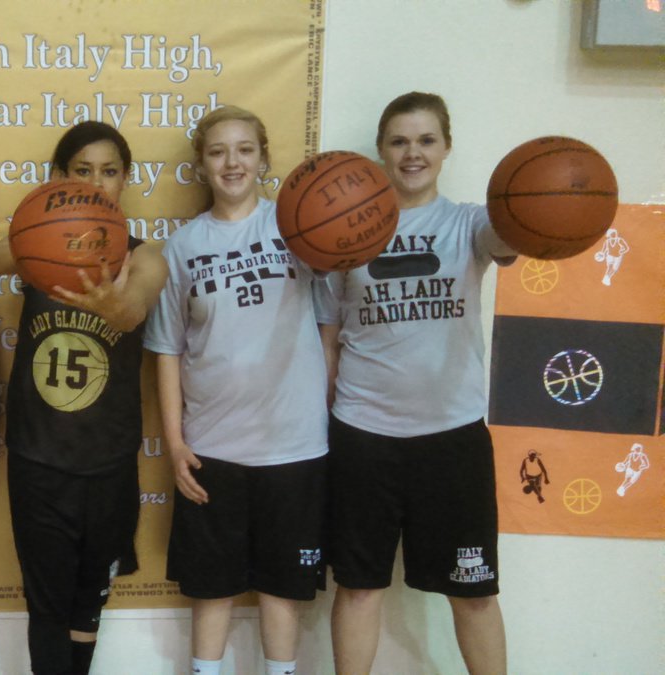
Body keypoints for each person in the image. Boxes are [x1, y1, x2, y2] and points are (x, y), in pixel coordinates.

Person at [318, 91, 517, 675]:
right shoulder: (341, 236)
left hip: (452, 438)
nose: (413, 153)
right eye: (399, 141)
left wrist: (547, 209)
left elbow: (514, 237)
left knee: (475, 593)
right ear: (380, 150)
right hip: (363, 435)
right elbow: (330, 338)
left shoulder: (470, 224)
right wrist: (325, 423)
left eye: (426, 140)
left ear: (447, 148)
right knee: (357, 589)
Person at [0, 121, 168, 675]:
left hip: (109, 461)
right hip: (39, 458)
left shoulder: (146, 257)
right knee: (47, 603)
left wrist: (110, 299)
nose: (98, 185)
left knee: (88, 602)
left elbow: (134, 308)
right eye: (83, 172)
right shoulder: (39, 248)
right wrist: (37, 237)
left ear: (127, 179)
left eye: (109, 172)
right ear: (60, 179)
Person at [143, 106, 332, 675]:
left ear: (263, 159)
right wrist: (176, 445)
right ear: (202, 164)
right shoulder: (182, 246)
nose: (232, 162)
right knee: (213, 591)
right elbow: (168, 351)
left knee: (281, 591)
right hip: (213, 450)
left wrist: (315, 407)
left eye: (244, 150)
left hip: (294, 449)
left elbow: (328, 329)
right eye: (219, 151)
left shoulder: (299, 231)